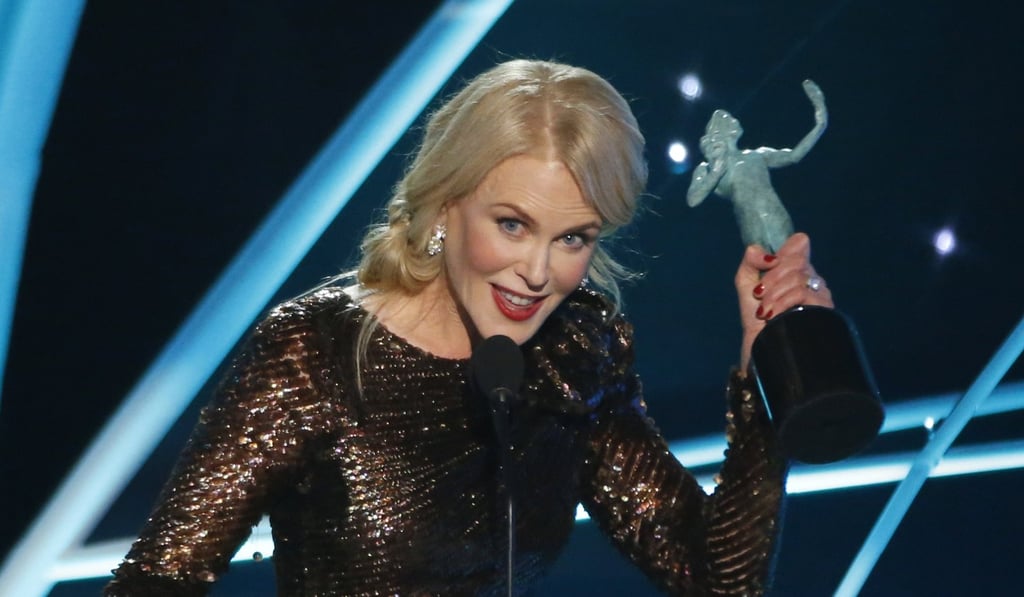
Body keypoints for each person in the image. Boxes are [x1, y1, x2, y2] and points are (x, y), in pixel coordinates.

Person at [105, 59, 833, 596]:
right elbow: (157, 578)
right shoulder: (316, 352)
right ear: (445, 206)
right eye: (512, 224)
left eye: (573, 238)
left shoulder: (577, 352)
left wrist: (764, 361)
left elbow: (716, 578)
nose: (537, 271)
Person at [686, 80, 828, 255]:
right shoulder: (707, 167)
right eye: (728, 119)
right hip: (750, 224)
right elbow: (693, 199)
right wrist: (716, 172)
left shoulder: (758, 155)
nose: (734, 120)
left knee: (794, 268)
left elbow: (794, 155)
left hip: (777, 216)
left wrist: (820, 124)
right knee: (768, 274)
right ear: (719, 131)